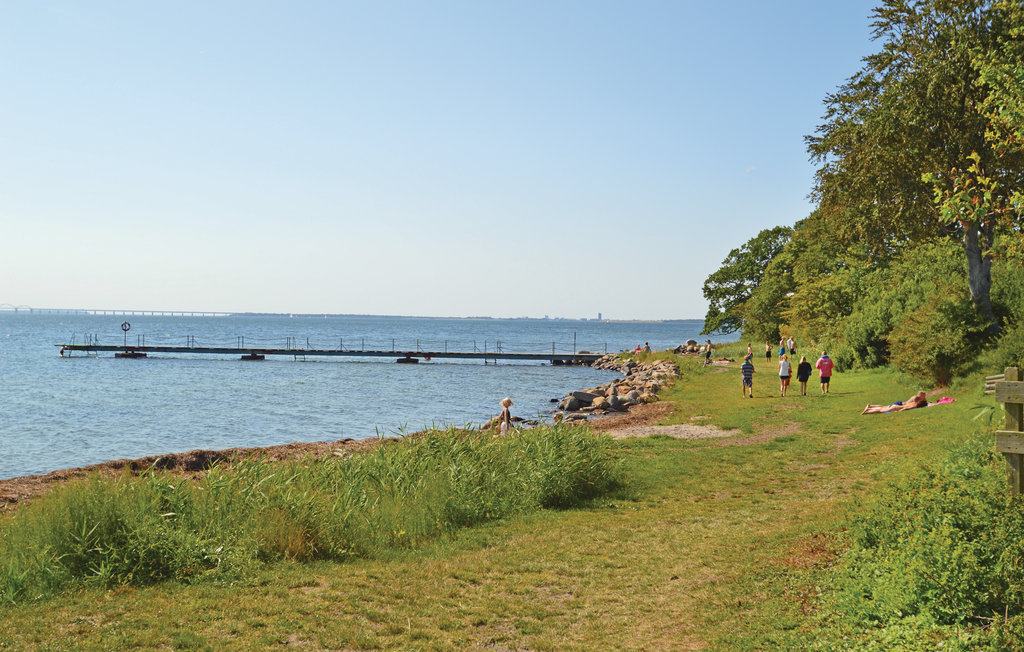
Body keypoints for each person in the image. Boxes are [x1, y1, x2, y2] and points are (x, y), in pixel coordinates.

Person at [862, 391, 927, 414]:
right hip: (897, 406)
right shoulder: (915, 401)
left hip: (897, 406)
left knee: (883, 408)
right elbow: (905, 408)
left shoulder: (915, 403)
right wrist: (898, 411)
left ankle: (870, 408)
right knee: (881, 410)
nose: (925, 398)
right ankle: (868, 410)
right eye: (924, 396)